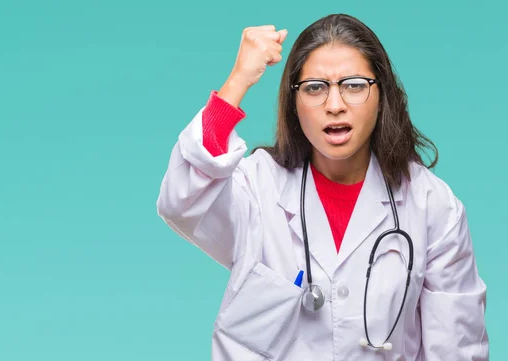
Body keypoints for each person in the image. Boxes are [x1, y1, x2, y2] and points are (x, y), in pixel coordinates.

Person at [156, 13, 488, 361]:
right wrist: (238, 81)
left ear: (381, 94)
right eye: (315, 88)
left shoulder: (432, 205)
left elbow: (457, 349)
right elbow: (181, 200)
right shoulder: (257, 187)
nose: (334, 105)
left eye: (355, 85)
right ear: (294, 102)